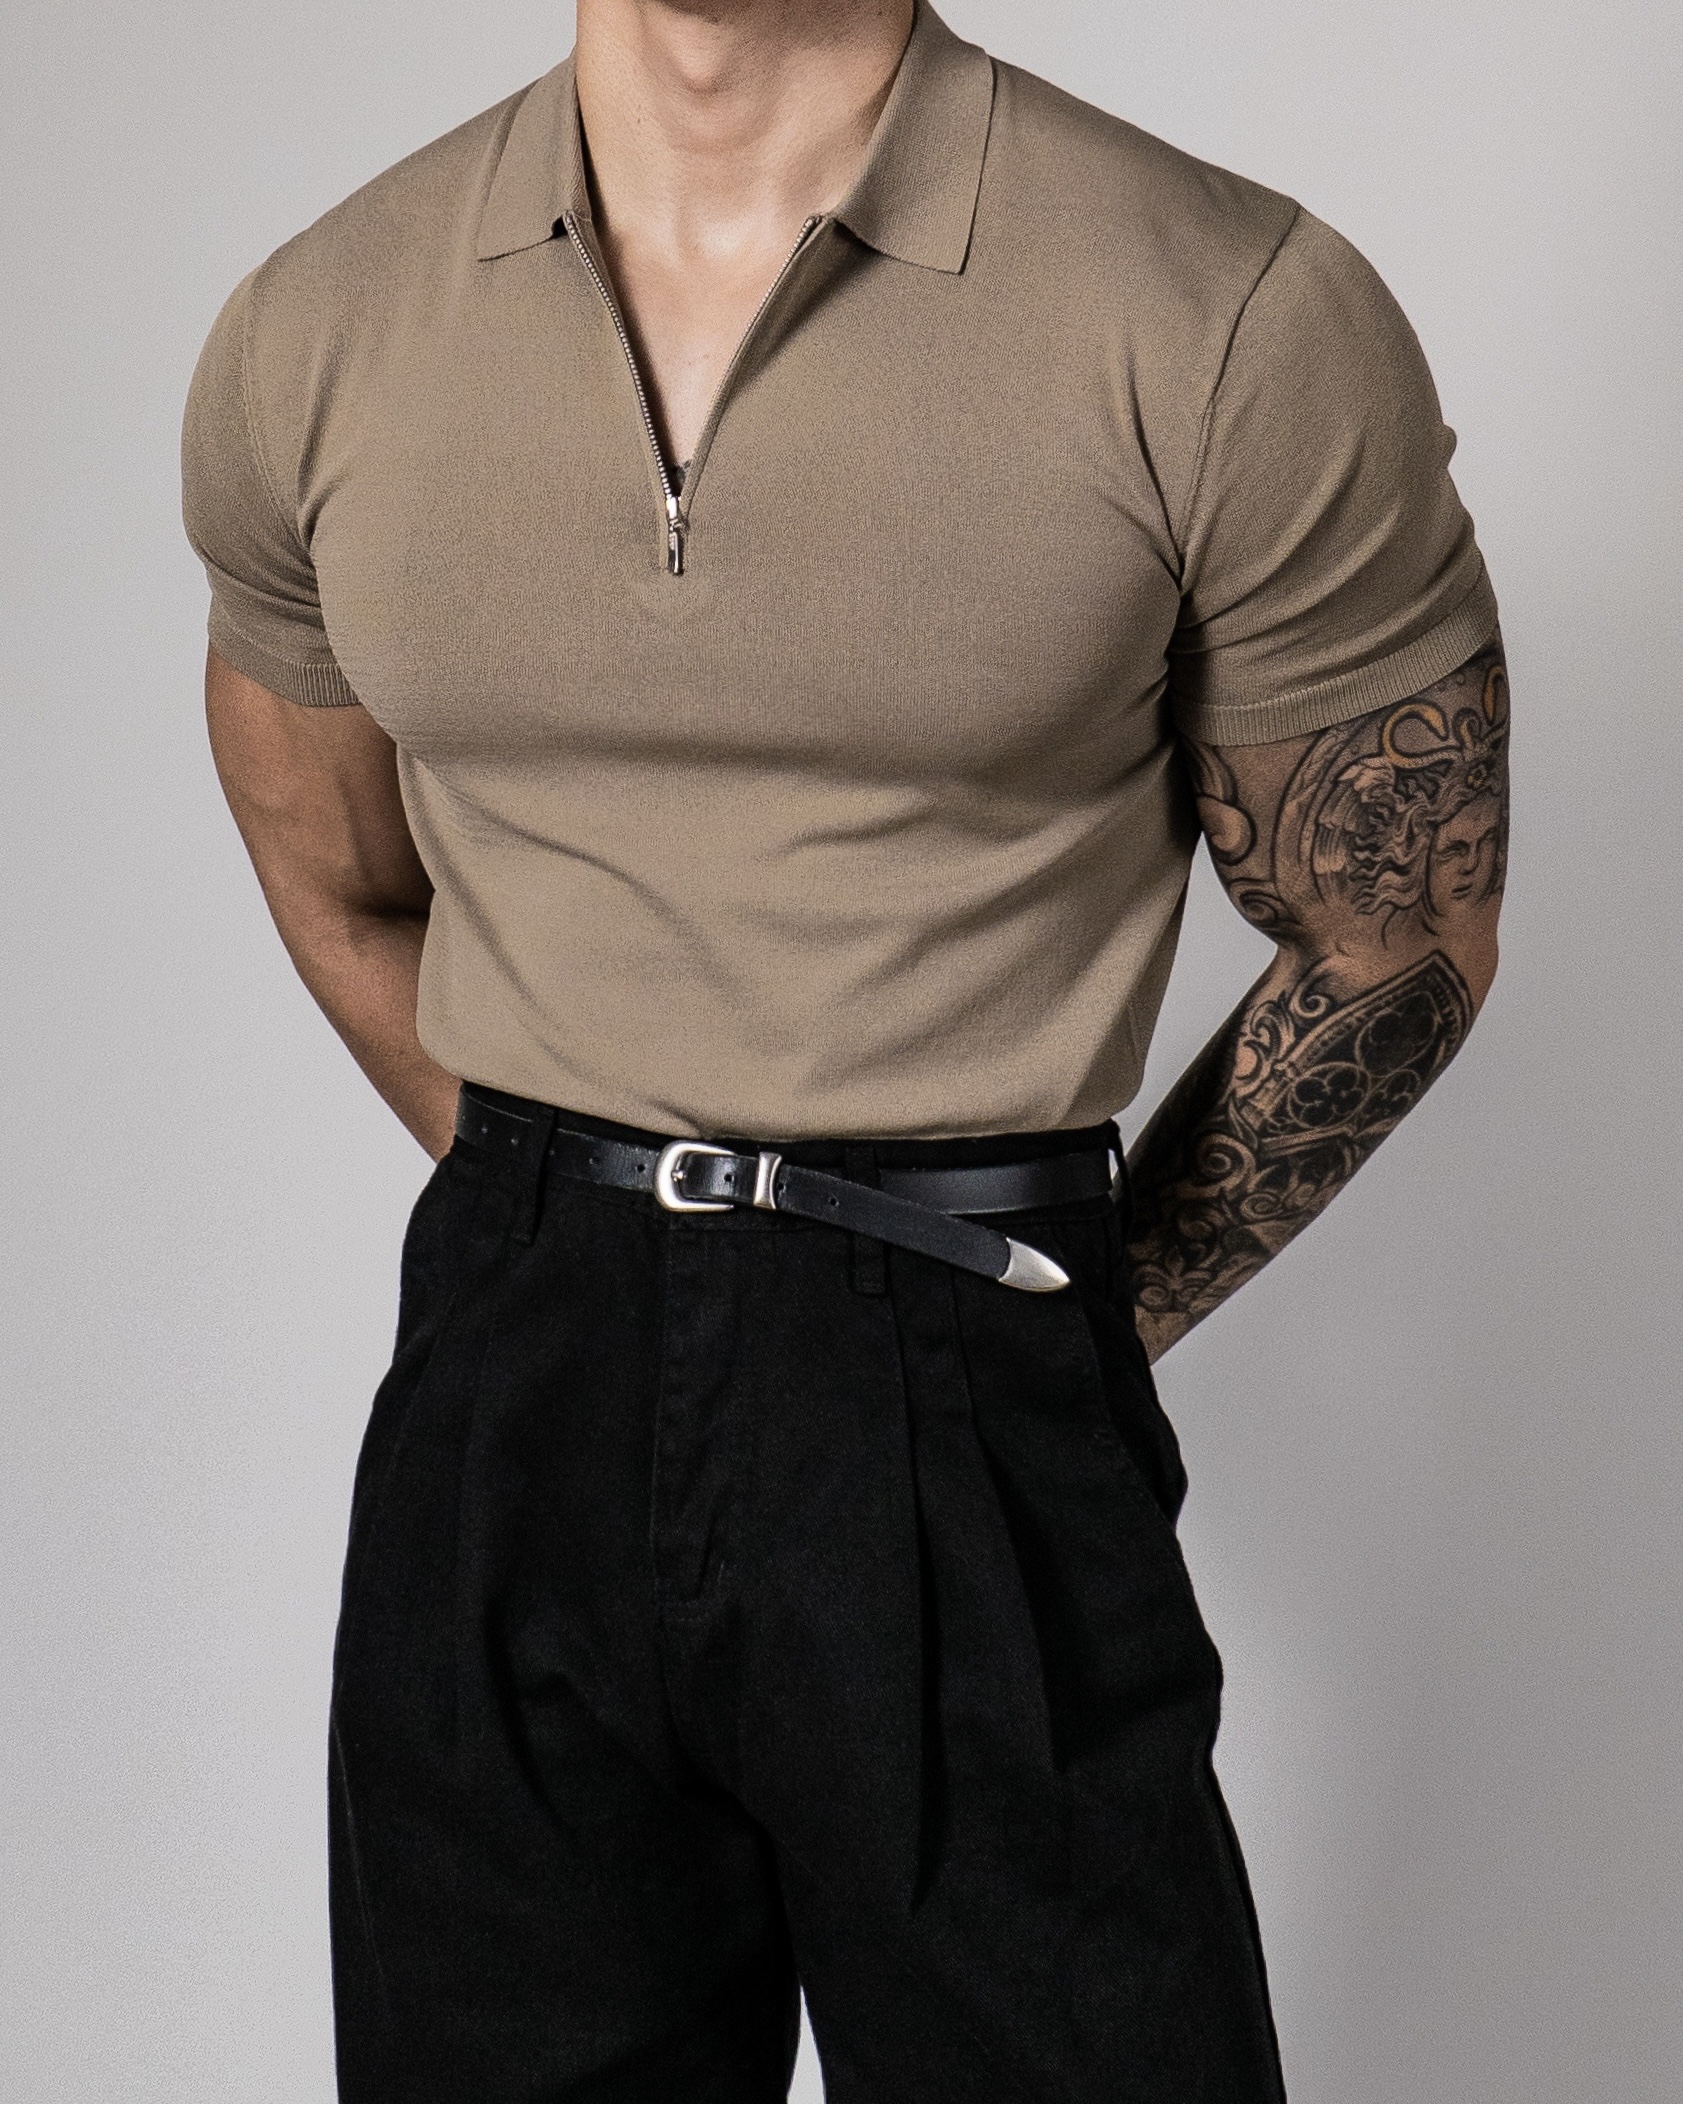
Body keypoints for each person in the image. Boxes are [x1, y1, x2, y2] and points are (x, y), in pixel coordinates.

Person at [181, 0, 1507, 2096]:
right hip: (513, 1380)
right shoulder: (319, 322)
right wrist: (582, 1232)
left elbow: (1397, 925)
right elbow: (340, 876)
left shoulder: (1224, 306)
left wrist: (1040, 1318)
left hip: (969, 1343)